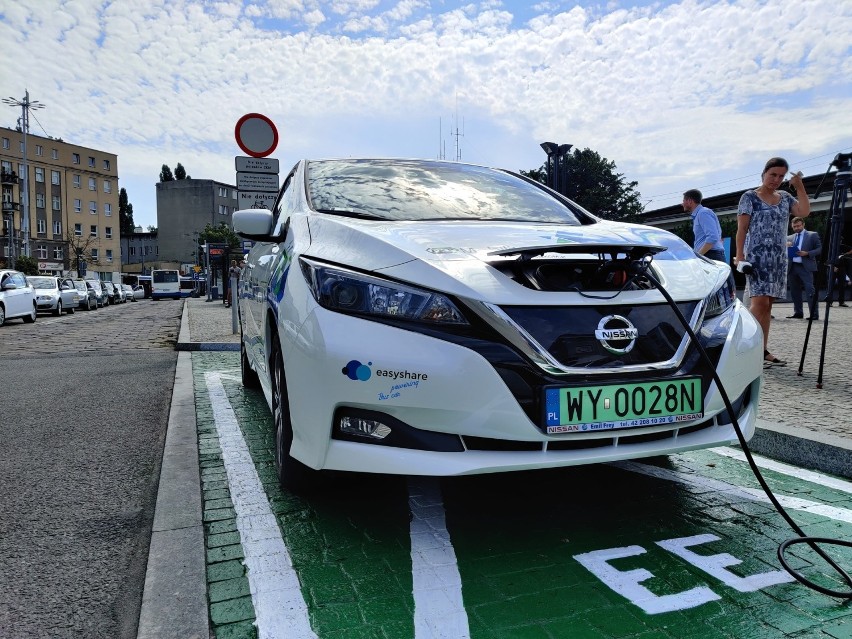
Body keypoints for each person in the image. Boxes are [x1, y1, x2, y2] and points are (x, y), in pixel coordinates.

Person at [734, 157, 810, 367]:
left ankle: (762, 350)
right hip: (757, 257)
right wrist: (740, 255)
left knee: (768, 306)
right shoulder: (749, 197)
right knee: (758, 303)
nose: (776, 179)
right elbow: (742, 229)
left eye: (780, 176)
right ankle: (742, 348)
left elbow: (804, 212)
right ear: (764, 173)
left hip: (778, 258)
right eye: (772, 174)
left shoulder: (785, 197)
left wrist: (800, 186)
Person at [785, 216, 822, 320]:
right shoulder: (789, 238)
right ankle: (798, 313)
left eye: (798, 226)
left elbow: (820, 249)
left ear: (803, 224)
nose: (796, 228)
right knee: (794, 291)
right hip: (792, 267)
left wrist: (807, 253)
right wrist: (786, 247)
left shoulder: (812, 235)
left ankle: (814, 315)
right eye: (794, 226)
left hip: (806, 267)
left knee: (810, 290)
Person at [683, 189, 725, 262]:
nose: (682, 204)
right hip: (710, 255)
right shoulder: (700, 214)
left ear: (690, 201)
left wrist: (698, 256)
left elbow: (713, 237)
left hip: (710, 255)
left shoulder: (703, 213)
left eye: (683, 201)